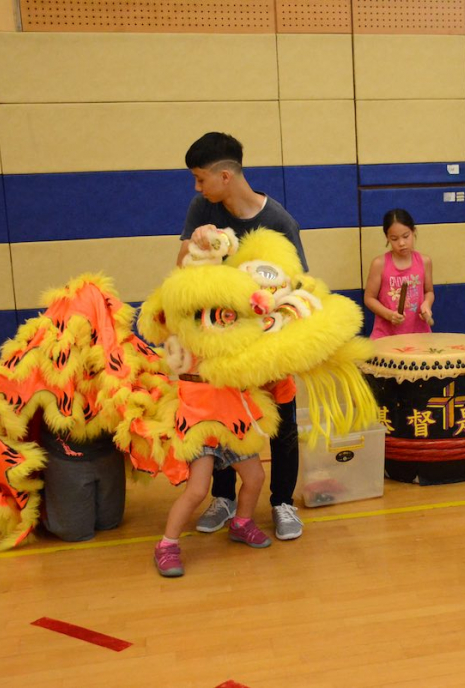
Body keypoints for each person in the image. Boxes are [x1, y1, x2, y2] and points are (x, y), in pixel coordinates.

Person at [178, 132, 305, 541]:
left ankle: (282, 501)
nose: (197, 188)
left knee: (282, 426)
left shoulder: (279, 222)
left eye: (201, 179)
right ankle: (224, 497)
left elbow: (298, 286)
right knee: (222, 426)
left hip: (267, 349)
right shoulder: (203, 208)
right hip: (221, 350)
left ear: (226, 176)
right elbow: (182, 271)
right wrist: (197, 245)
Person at [153, 442, 270, 577]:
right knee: (197, 491)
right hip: (202, 430)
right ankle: (166, 546)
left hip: (232, 427)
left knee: (255, 477)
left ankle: (241, 524)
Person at [364, 208, 434, 338]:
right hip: (386, 334)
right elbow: (369, 298)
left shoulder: (425, 261)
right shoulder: (379, 264)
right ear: (387, 238)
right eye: (394, 239)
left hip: (418, 333)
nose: (401, 243)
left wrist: (427, 304)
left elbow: (428, 291)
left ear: (414, 232)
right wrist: (389, 315)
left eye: (406, 236)